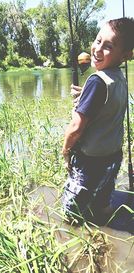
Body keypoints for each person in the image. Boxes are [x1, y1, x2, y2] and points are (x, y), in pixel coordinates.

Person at [62, 17, 134, 225]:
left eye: (108, 46)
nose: (98, 49)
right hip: (112, 156)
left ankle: (79, 231)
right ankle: (105, 219)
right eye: (98, 40)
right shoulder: (119, 77)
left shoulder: (96, 81)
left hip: (89, 160)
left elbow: (76, 127)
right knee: (103, 200)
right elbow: (108, 104)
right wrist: (86, 93)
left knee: (70, 211)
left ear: (126, 55)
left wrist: (66, 150)